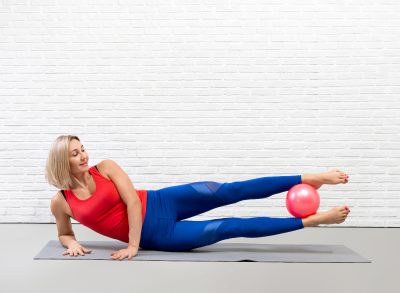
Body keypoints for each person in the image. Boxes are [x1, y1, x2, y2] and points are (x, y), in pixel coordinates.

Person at [46, 135, 350, 261]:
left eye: (82, 148)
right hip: (161, 234)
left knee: (229, 190)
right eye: (75, 154)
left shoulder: (106, 167)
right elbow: (63, 231)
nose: (84, 155)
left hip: (162, 201)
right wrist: (71, 241)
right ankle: (310, 221)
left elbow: (134, 203)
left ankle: (308, 177)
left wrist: (132, 246)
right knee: (229, 227)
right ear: (63, 162)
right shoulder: (61, 201)